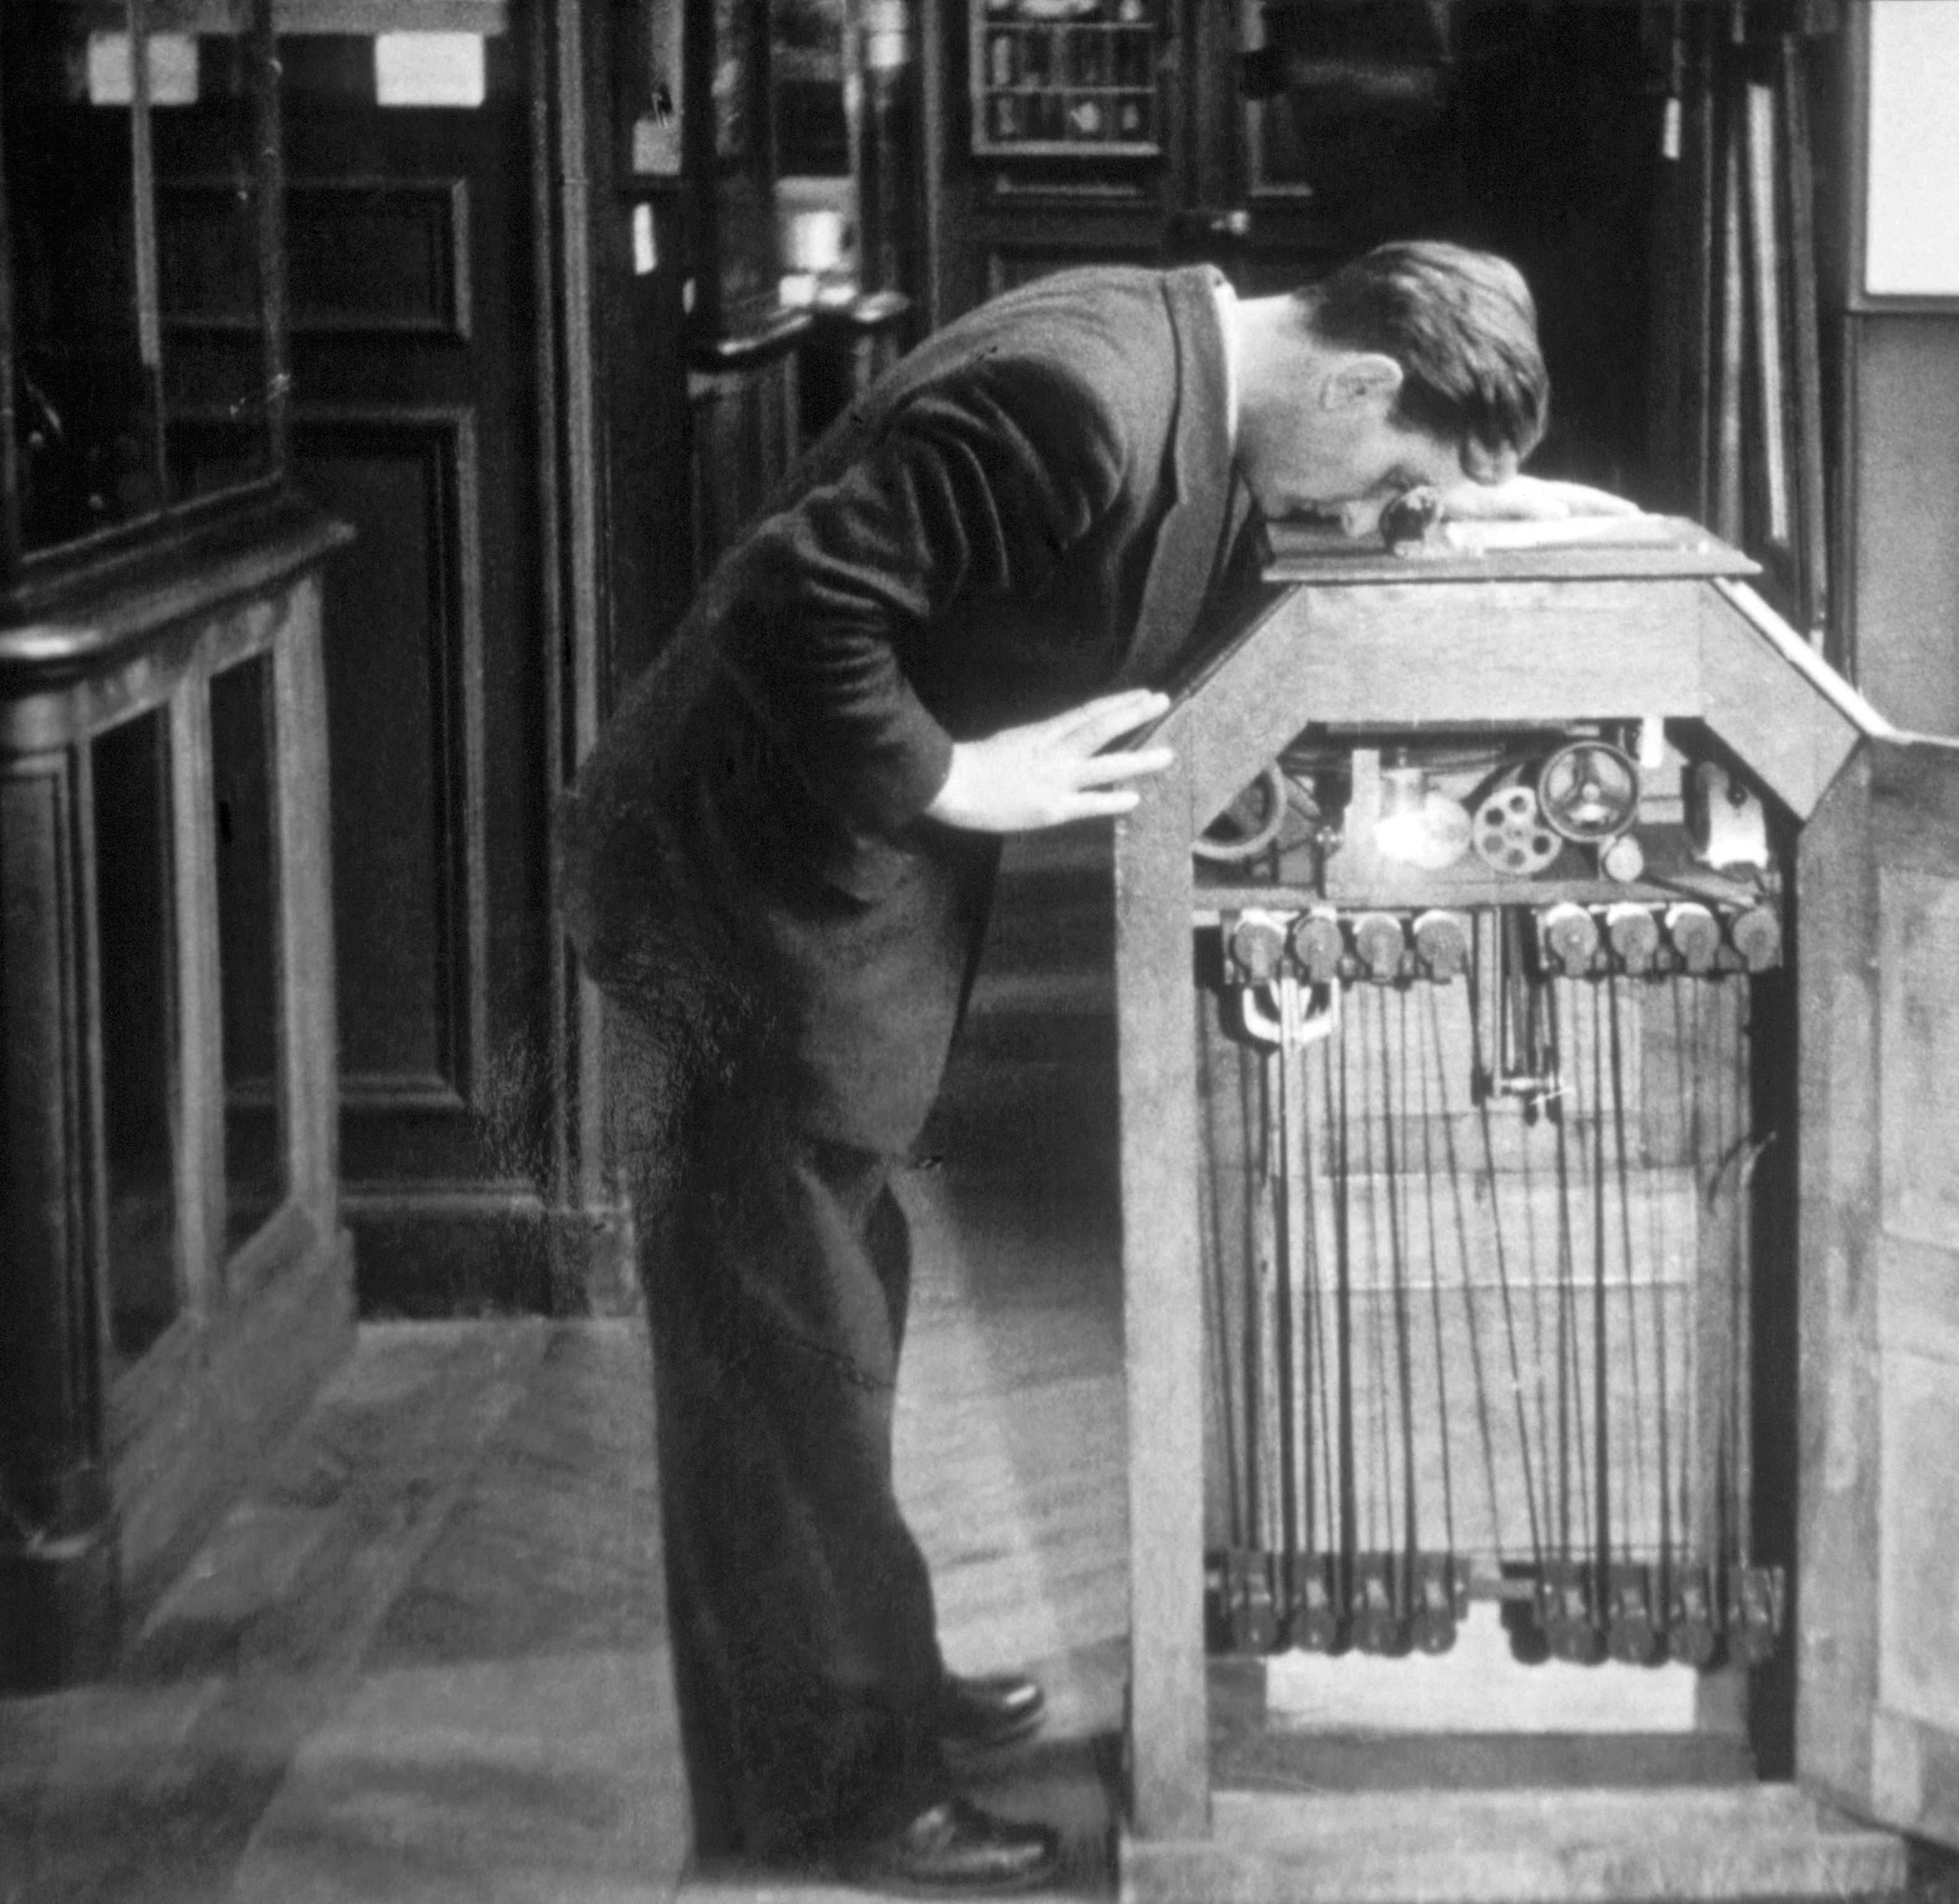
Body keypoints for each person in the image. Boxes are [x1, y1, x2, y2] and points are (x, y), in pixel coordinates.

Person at [560, 242, 1627, 1894]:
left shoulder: (1185, 358)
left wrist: (1462, 509)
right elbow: (798, 592)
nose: (1387, 502)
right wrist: (949, 775)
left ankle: (870, 1671)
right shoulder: (1078, 402)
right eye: (1399, 472)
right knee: (781, 1337)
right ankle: (839, 1785)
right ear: (1355, 381)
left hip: (806, 881)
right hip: (735, 885)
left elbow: (1198, 529)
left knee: (827, 1299)